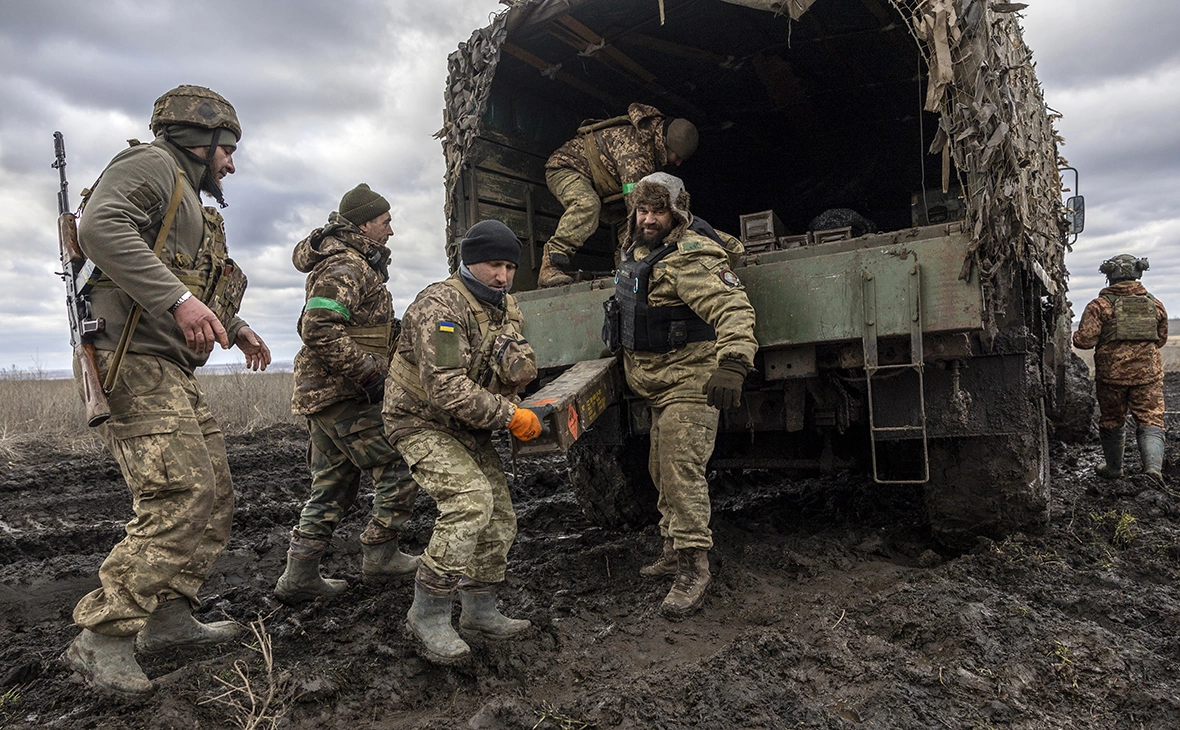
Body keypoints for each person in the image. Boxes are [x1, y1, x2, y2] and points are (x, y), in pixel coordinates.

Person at [63, 84, 271, 699]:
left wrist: (233, 325)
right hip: (133, 361)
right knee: (182, 492)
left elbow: (189, 279)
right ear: (196, 141)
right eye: (226, 150)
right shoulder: (150, 166)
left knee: (216, 492)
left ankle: (169, 616)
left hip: (171, 367)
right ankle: (102, 637)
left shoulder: (192, 202)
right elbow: (101, 228)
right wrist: (178, 302)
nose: (231, 163)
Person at [383, 219, 544, 664]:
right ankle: (429, 613)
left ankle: (479, 610)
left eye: (510, 266)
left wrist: (519, 399)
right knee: (470, 501)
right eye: (494, 264)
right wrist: (510, 415)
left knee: (500, 517)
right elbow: (446, 387)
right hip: (419, 422)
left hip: (466, 426)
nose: (503, 276)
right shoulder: (441, 306)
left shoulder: (506, 307)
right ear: (470, 260)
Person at [611, 172, 757, 619]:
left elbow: (731, 306)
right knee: (659, 465)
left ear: (677, 211)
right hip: (654, 383)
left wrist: (733, 362)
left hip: (689, 379)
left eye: (658, 211)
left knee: (679, 468)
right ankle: (673, 546)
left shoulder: (691, 256)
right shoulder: (639, 251)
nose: (648, 218)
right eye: (642, 210)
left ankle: (694, 566)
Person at [274, 184, 420, 603]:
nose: (390, 230)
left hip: (328, 395)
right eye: (385, 221)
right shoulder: (345, 266)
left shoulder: (355, 263)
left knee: (333, 484)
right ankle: (381, 554)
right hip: (343, 393)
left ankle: (299, 576)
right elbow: (318, 327)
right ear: (363, 224)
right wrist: (372, 375)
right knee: (400, 458)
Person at [539, 103, 699, 287]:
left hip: (599, 181)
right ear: (666, 144)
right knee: (588, 204)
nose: (677, 163)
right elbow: (636, 205)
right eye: (676, 156)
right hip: (566, 168)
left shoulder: (651, 147)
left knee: (629, 218)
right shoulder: (635, 150)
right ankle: (550, 264)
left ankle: (624, 268)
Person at [1073, 254, 1168, 484]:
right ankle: (1153, 470)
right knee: (1151, 419)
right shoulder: (1154, 304)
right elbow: (1162, 339)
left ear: (1110, 276)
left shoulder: (1099, 306)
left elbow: (1084, 341)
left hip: (1111, 378)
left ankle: (1114, 469)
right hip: (1148, 375)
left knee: (1112, 420)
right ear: (1138, 273)